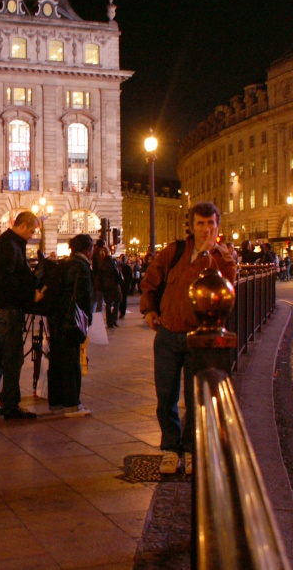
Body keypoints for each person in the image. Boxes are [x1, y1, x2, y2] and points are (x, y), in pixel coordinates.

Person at [139, 201, 237, 476]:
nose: (205, 229)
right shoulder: (175, 251)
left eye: (210, 223)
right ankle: (171, 449)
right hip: (169, 333)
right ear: (192, 226)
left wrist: (207, 255)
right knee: (165, 395)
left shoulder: (223, 258)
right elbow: (151, 279)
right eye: (200, 223)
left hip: (199, 339)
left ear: (218, 226)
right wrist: (149, 310)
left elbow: (228, 285)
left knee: (196, 400)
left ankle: (193, 449)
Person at [0, 211, 44, 420]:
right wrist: (30, 295)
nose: (32, 235)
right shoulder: (9, 244)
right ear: (23, 225)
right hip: (6, 308)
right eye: (32, 231)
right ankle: (10, 405)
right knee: (13, 357)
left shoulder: (8, 242)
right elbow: (7, 279)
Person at [47, 233, 94, 416]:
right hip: (71, 321)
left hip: (56, 319)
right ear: (88, 250)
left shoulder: (63, 264)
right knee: (71, 362)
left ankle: (56, 403)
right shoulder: (81, 267)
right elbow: (84, 297)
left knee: (56, 361)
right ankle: (71, 404)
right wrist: (87, 321)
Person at [95, 243, 123, 328]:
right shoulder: (112, 261)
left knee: (108, 303)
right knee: (117, 301)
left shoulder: (101, 263)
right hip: (114, 285)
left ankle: (109, 321)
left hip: (106, 286)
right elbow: (116, 273)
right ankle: (114, 320)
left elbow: (100, 276)